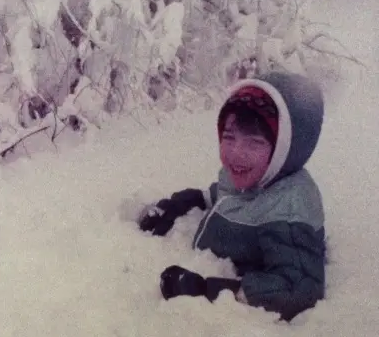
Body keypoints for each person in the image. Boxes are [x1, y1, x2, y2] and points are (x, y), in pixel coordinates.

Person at [137, 70, 326, 322]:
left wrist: (211, 290)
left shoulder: (288, 209)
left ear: (285, 149)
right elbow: (226, 195)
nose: (236, 153)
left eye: (254, 142)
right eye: (229, 137)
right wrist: (183, 203)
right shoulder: (252, 174)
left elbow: (298, 288)